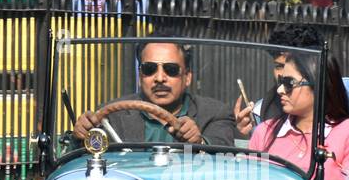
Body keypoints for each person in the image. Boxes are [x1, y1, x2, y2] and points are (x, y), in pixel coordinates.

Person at [234, 25, 349, 145]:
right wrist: (248, 136)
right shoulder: (261, 111)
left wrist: (336, 133)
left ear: (314, 65)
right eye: (278, 66)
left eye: (290, 66)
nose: (283, 75)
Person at [245, 40, 349, 180]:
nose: (280, 90)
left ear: (318, 83)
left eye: (289, 83)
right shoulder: (264, 132)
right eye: (281, 82)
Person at [73, 41, 236, 146]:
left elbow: (224, 151)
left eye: (171, 69)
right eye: (149, 69)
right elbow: (86, 156)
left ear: (187, 77)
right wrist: (81, 136)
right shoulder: (111, 115)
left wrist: (200, 142)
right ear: (140, 76)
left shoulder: (214, 113)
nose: (159, 78)